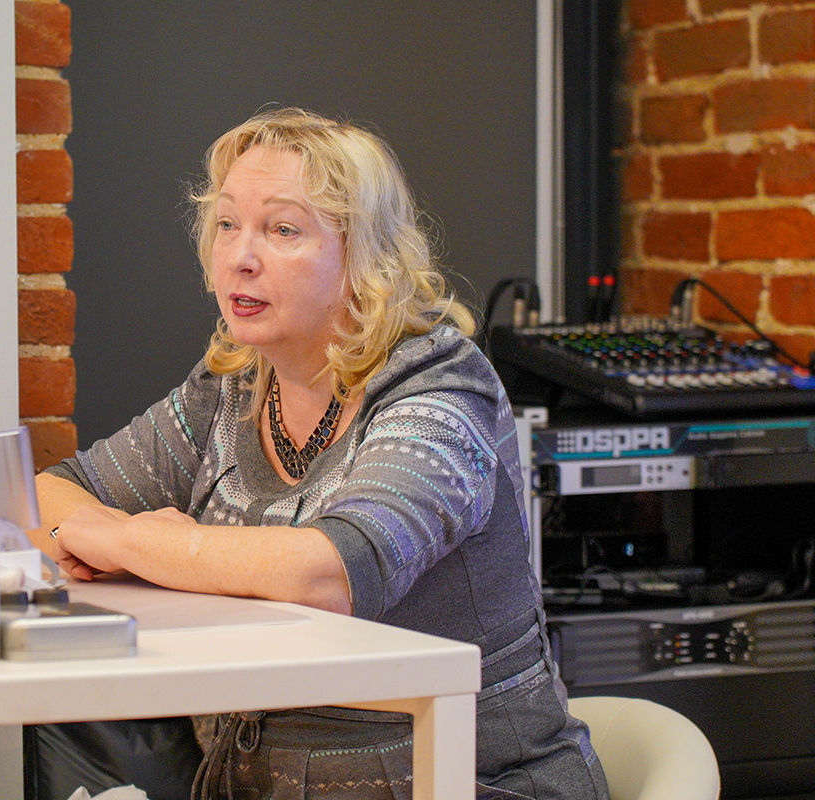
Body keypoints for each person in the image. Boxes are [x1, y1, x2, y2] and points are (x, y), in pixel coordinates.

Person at [30, 107, 609, 800]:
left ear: (365, 258)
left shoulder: (440, 386)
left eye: (282, 230)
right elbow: (53, 490)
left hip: (465, 784)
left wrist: (130, 543)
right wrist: (102, 533)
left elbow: (332, 572)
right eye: (226, 224)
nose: (240, 256)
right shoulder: (234, 383)